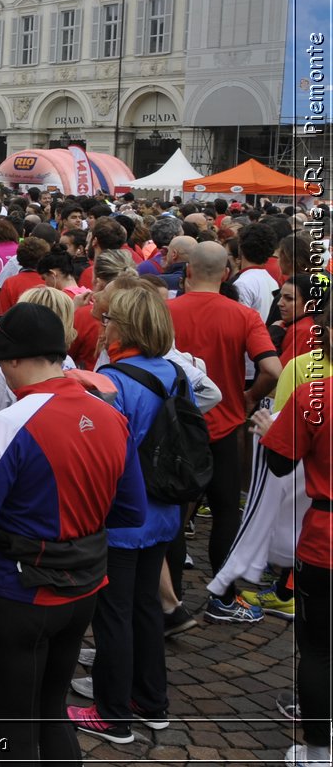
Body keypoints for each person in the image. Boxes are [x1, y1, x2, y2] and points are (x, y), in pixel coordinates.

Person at [0, 303, 145, 765]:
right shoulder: (110, 415)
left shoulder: (10, 421)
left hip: (18, 590)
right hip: (84, 587)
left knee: (13, 726)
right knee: (52, 712)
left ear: (13, 358)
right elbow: (131, 510)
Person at [67, 281, 186, 742]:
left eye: (109, 319)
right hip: (161, 512)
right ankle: (150, 698)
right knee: (145, 607)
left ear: (125, 327)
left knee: (113, 613)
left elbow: (97, 452)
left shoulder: (114, 382)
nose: (101, 325)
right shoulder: (173, 373)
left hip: (121, 514)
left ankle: (113, 713)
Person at [167, 240, 281, 619]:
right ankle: (224, 598)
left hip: (177, 428)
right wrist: (248, 397)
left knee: (175, 518)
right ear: (227, 274)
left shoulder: (166, 311)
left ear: (187, 271)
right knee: (226, 514)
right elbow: (273, 371)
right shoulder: (243, 316)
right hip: (226, 428)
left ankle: (172, 601)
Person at [259, 321, 333, 767]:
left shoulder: (315, 394)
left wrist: (271, 427)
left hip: (325, 541)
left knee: (320, 649)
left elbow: (280, 464)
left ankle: (320, 751)